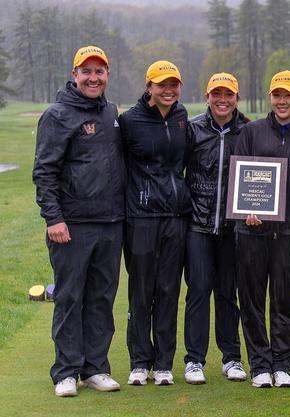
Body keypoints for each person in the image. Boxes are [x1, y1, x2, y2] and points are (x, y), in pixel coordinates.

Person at [33, 45, 125, 397]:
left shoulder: (111, 113)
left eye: (99, 71)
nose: (93, 77)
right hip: (70, 225)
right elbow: (44, 171)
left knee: (101, 298)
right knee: (70, 298)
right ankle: (66, 371)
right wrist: (53, 218)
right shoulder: (57, 115)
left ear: (107, 75)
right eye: (86, 71)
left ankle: (95, 368)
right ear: (75, 75)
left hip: (110, 222)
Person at [233, 70, 290, 389]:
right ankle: (259, 365)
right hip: (252, 231)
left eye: (289, 95)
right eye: (277, 95)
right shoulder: (251, 131)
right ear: (271, 97)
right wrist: (246, 211)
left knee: (284, 302)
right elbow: (238, 176)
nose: (282, 101)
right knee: (252, 301)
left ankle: (282, 364)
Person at [120, 60, 191, 386]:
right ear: (149, 86)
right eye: (162, 84)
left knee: (167, 290)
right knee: (141, 291)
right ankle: (139, 361)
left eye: (173, 84)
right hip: (141, 218)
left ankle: (163, 363)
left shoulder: (181, 117)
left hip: (176, 218)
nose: (168, 90)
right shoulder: (129, 121)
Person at [182, 73, 250, 384]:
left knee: (227, 293)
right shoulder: (193, 128)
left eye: (229, 94)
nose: (223, 99)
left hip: (232, 227)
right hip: (197, 224)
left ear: (237, 97)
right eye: (216, 94)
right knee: (198, 291)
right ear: (208, 96)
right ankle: (194, 359)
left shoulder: (248, 131)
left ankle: (232, 358)